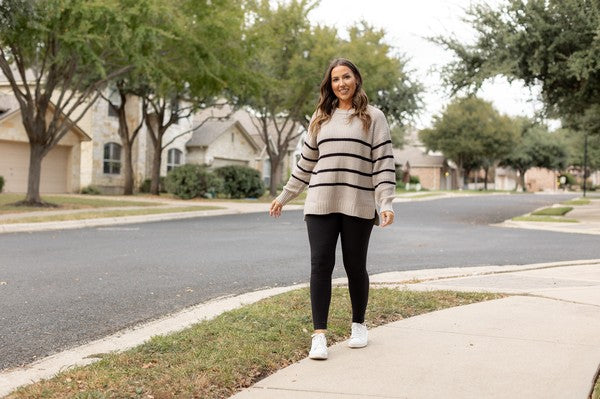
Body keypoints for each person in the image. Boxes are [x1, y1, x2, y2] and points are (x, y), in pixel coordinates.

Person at [269, 58, 396, 360]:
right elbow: (306, 163)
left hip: (359, 203)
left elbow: (383, 163)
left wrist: (386, 202)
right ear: (330, 85)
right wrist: (285, 196)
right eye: (336, 79)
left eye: (347, 77)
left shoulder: (373, 117)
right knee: (320, 266)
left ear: (356, 79)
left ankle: (359, 325)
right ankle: (319, 337)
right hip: (320, 203)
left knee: (355, 267)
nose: (342, 83)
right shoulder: (320, 117)